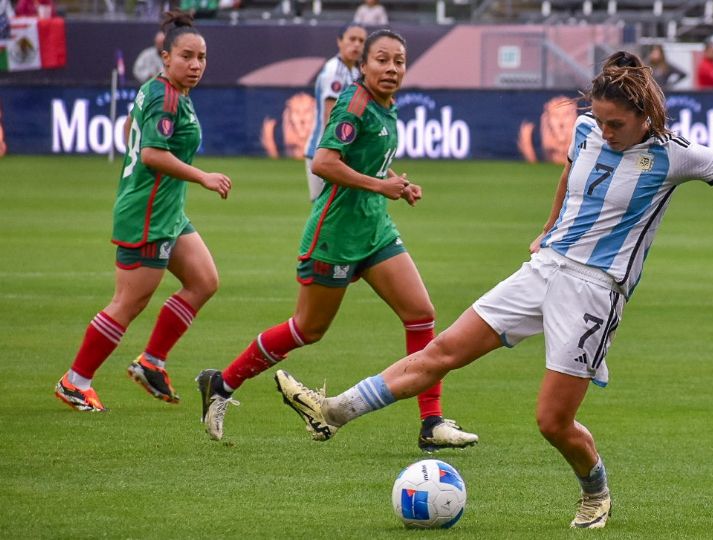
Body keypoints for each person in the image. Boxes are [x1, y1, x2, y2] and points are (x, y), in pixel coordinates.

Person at [273, 50, 713, 529]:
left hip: (596, 291)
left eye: (618, 123)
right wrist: (546, 231)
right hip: (545, 270)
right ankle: (334, 411)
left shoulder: (674, 155)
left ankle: (595, 489)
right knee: (443, 353)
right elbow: (572, 175)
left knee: (551, 421)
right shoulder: (587, 128)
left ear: (645, 116)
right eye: (600, 118)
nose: (607, 130)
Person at [196, 29, 478, 453]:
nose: (391, 68)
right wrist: (378, 186)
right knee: (306, 329)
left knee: (421, 314)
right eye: (381, 60)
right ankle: (221, 383)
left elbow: (366, 162)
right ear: (362, 66)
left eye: (399, 61)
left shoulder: (386, 106)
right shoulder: (354, 103)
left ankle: (431, 422)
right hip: (335, 237)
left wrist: (395, 185)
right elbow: (324, 163)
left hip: (375, 231)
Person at [54, 11, 232, 412]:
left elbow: (133, 132)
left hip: (167, 210)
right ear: (165, 57)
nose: (196, 64)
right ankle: (75, 381)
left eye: (201, 57)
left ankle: (151, 362)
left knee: (204, 280)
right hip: (148, 212)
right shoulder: (165, 95)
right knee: (127, 303)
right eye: (187, 56)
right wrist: (201, 176)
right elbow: (152, 153)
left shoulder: (166, 93)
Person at [304, 23, 366, 200]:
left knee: (337, 214)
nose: (356, 45)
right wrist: (337, 151)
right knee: (323, 213)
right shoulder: (335, 71)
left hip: (339, 152)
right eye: (352, 39)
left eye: (361, 41)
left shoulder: (354, 72)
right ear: (340, 41)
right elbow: (331, 116)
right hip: (324, 151)